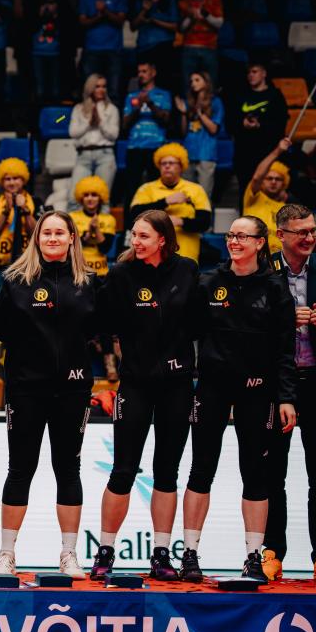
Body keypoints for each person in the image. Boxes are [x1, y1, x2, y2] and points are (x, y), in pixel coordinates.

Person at [181, 216, 297, 583]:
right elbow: (187, 331)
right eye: (231, 235)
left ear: (260, 242)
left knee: (256, 474)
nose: (234, 241)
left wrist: (286, 397)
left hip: (258, 390)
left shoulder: (276, 288)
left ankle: (253, 557)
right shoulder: (209, 283)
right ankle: (190, 554)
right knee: (201, 469)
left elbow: (286, 349)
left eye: (243, 236)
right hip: (212, 388)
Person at [0, 211, 98, 578]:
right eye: (46, 232)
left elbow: (97, 329)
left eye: (59, 232)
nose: (52, 238)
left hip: (73, 389)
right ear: (36, 238)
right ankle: (6, 554)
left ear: (72, 238)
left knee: (68, 469)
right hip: (26, 388)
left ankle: (69, 554)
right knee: (20, 469)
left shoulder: (88, 282)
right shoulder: (16, 280)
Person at [91, 210, 201, 581]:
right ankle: (105, 551)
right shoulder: (122, 274)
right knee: (122, 470)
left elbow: (198, 323)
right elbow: (103, 322)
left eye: (143, 236)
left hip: (177, 382)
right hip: (135, 382)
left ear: (163, 240)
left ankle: (161, 554)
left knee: (167, 472)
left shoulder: (187, 270)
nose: (135, 242)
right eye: (134, 235)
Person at [262, 204, 316, 583]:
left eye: (313, 230)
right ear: (281, 235)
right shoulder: (264, 271)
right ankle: (272, 551)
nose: (310, 237)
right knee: (271, 474)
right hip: (276, 386)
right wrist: (282, 320)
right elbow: (249, 329)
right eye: (302, 232)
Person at [128, 143, 212, 262]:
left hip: (186, 257)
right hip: (152, 257)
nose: (167, 166)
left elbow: (205, 223)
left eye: (172, 163)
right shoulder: (146, 189)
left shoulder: (196, 189)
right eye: (163, 163)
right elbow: (134, 215)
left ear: (181, 166)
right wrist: (166, 201)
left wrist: (180, 221)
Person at [230, 63, 288, 202]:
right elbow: (230, 122)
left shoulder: (275, 95)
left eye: (254, 71)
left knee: (270, 192)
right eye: (249, 72)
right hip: (244, 153)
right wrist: (242, 123)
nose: (251, 75)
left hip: (268, 152)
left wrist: (260, 125)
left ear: (264, 74)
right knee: (245, 193)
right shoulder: (240, 95)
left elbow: (281, 123)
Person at [118, 62, 172, 210]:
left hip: (156, 147)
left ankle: (156, 220)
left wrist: (150, 103)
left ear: (153, 73)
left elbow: (166, 119)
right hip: (134, 147)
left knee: (156, 188)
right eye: (139, 72)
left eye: (144, 71)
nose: (141, 75)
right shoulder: (131, 96)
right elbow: (125, 124)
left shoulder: (163, 95)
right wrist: (137, 107)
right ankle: (129, 223)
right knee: (131, 188)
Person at [0, 158, 40, 296]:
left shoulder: (36, 201)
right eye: (7, 179)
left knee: (24, 301)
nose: (12, 182)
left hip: (26, 264)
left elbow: (37, 234)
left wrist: (25, 209)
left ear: (24, 180)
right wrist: (6, 210)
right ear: (1, 181)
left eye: (16, 178)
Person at [77, 0, 127, 102]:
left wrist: (105, 11)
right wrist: (99, 16)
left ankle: (112, 116)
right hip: (91, 50)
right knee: (90, 91)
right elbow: (82, 22)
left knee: (114, 92)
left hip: (113, 50)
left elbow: (120, 20)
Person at [69, 74, 119, 199]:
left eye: (104, 86)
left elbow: (114, 135)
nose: (101, 89)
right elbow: (73, 133)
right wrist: (88, 122)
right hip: (83, 155)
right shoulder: (79, 108)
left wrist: (100, 122)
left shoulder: (112, 109)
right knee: (74, 197)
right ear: (90, 88)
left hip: (105, 155)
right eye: (97, 86)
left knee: (103, 198)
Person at [175, 71, 224, 197]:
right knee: (186, 195)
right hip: (188, 154)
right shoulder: (189, 102)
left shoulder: (215, 102)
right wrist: (183, 113)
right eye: (191, 81)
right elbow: (183, 132)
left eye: (197, 80)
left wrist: (200, 114)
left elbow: (213, 129)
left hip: (206, 154)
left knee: (203, 195)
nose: (193, 83)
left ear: (206, 83)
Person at [244, 138, 293, 255]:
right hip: (253, 258)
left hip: (277, 260)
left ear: (284, 183)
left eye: (278, 179)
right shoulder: (254, 197)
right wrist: (278, 151)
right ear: (262, 181)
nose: (273, 182)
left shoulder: (287, 209)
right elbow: (257, 177)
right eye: (269, 178)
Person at [178, 0, 224, 87]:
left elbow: (219, 24)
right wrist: (191, 16)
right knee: (188, 85)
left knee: (210, 85)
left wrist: (205, 15)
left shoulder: (214, 0)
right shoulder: (184, 2)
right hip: (189, 47)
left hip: (209, 47)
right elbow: (182, 28)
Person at [30, 0, 72, 101]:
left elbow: (69, 28)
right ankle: (40, 113)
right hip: (38, 52)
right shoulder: (35, 4)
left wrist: (55, 16)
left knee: (56, 90)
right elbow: (28, 27)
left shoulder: (64, 5)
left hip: (57, 53)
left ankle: (56, 114)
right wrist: (39, 15)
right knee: (40, 90)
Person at [131, 0, 179, 77]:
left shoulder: (169, 2)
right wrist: (144, 10)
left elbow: (175, 26)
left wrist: (155, 21)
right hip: (144, 46)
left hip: (163, 46)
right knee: (144, 78)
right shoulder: (141, 1)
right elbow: (133, 26)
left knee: (163, 78)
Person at [70, 176, 117, 278]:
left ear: (100, 197)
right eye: (86, 195)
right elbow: (72, 245)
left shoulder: (109, 219)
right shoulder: (72, 217)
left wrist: (96, 229)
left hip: (101, 273)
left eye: (94, 195)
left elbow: (105, 248)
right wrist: (88, 234)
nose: (90, 198)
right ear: (81, 198)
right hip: (79, 271)